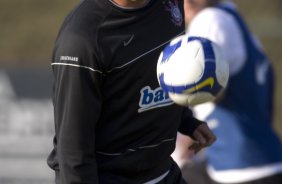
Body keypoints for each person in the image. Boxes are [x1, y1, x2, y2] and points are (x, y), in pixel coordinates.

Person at [46, 0, 217, 183]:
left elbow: (158, 74)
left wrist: (186, 120)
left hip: (165, 173)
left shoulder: (170, 4)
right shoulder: (82, 39)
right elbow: (72, 151)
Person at [172, 0, 282, 184]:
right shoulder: (231, 15)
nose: (187, 2)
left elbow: (202, 88)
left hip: (241, 168)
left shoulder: (210, 20)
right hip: (262, 160)